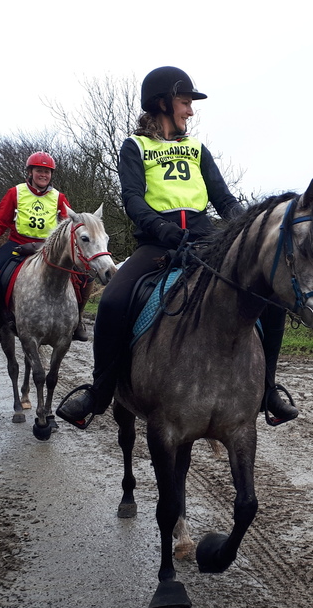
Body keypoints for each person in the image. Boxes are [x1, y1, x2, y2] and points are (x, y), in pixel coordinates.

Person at [57, 66, 298, 429]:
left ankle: (268, 390)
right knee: (113, 301)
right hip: (157, 242)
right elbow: (133, 199)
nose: (190, 111)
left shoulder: (197, 148)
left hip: (206, 241)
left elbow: (224, 199)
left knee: (269, 296)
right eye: (185, 102)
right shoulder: (135, 146)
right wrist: (160, 227)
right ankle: (100, 392)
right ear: (163, 104)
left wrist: (247, 227)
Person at [0, 152, 90, 344]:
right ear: (30, 172)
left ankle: (78, 321)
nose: (43, 175)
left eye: (47, 171)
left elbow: (70, 226)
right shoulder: (15, 192)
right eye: (39, 171)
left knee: (85, 276)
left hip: (49, 247)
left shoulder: (59, 197)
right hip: (17, 244)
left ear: (51, 174)